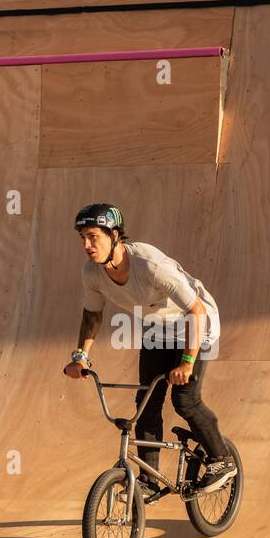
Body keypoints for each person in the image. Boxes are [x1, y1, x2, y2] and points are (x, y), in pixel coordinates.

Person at [64, 204, 237, 497]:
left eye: (93, 236)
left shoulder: (150, 266)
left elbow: (196, 311)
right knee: (146, 403)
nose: (87, 245)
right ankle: (147, 480)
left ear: (114, 235)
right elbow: (92, 315)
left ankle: (222, 460)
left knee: (185, 400)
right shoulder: (92, 273)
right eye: (82, 237)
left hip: (197, 324)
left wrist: (185, 362)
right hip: (158, 330)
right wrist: (80, 356)